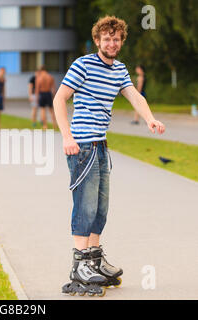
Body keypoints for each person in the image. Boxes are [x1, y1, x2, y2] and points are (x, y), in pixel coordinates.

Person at [53, 16, 165, 297]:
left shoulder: (120, 70)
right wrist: (67, 136)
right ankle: (79, 266)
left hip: (101, 145)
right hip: (83, 145)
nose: (112, 43)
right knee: (85, 205)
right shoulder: (83, 65)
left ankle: (94, 259)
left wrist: (150, 118)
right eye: (107, 38)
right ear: (98, 40)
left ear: (121, 41)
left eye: (116, 39)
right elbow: (59, 99)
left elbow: (135, 97)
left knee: (100, 208)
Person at [35, 66, 58, 130]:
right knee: (51, 110)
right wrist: (54, 97)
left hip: (42, 94)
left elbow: (37, 89)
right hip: (48, 93)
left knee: (43, 110)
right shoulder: (50, 77)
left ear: (41, 70)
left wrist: (37, 98)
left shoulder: (39, 78)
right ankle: (54, 125)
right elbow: (53, 89)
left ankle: (45, 125)